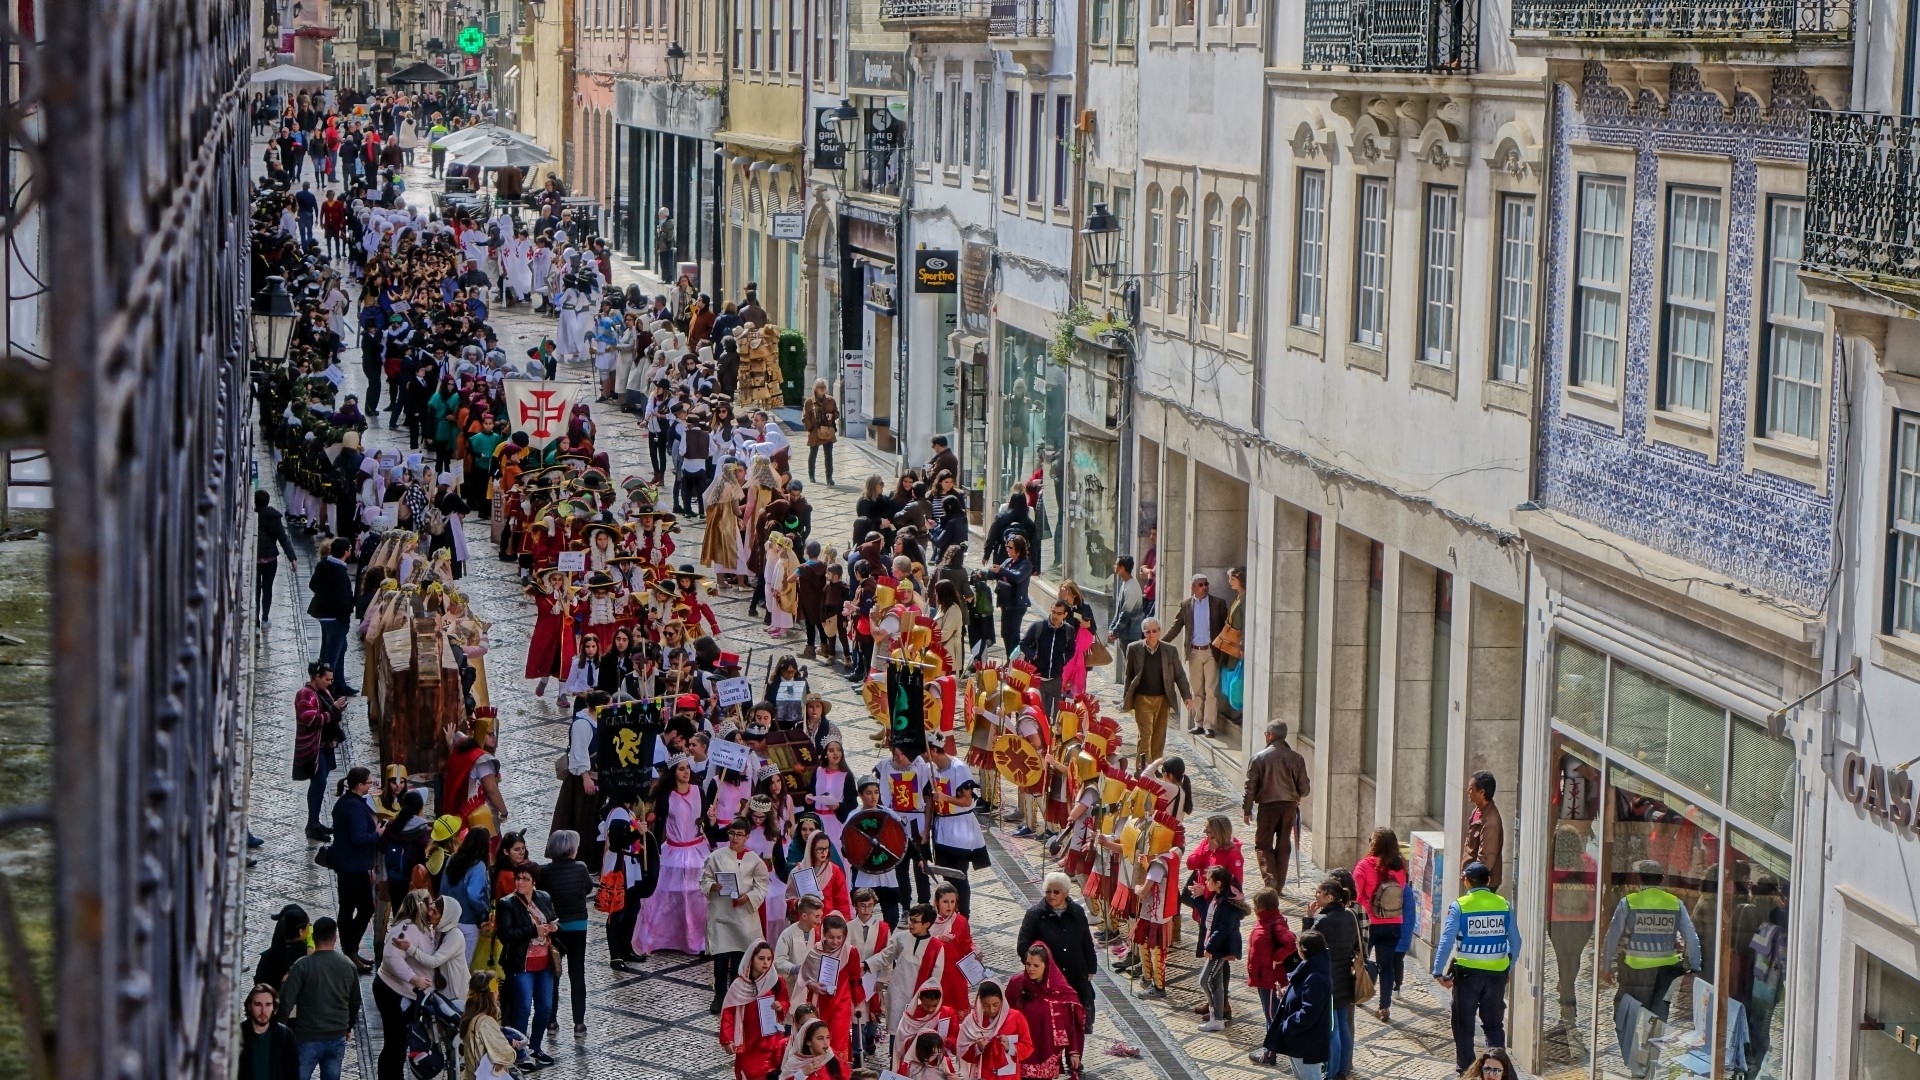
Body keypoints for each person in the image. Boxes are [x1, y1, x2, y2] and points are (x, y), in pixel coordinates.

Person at [1431, 861, 1521, 1075]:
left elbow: (1446, 941)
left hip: (1468, 976)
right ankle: (1498, 1072)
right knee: (1493, 1026)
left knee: (1463, 1025)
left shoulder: (1460, 906)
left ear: (1466, 881)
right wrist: (1508, 965)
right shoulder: (1503, 904)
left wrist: (1438, 971)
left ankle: (1467, 1071)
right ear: (1488, 881)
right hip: (1496, 975)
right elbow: (1516, 941)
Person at [1601, 860, 1701, 1040]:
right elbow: (1691, 938)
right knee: (1657, 1020)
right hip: (1666, 972)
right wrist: (1693, 967)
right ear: (1662, 879)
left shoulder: (1629, 903)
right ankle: (1649, 1061)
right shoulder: (1675, 903)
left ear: (1639, 879)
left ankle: (1633, 1058)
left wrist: (1606, 967)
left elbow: (1612, 937)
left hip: (1635, 970)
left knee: (1625, 1016)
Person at [701, 818, 772, 1014]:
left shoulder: (755, 861)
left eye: (739, 834)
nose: (734, 838)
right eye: (732, 833)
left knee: (739, 957)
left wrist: (748, 897)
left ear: (747, 837)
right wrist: (712, 886)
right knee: (721, 956)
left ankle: (735, 994)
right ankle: (719, 994)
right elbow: (705, 878)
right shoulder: (716, 856)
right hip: (722, 914)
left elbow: (762, 885)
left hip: (743, 917)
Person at [277, 916, 362, 1080]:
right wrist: (348, 1026)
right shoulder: (348, 965)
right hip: (337, 1036)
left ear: (314, 938)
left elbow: (286, 1002)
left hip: (307, 1036)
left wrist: (279, 1032)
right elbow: (355, 1001)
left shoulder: (302, 965)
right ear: (335, 938)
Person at [495, 866, 561, 1068]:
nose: (520, 882)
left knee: (545, 1007)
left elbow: (553, 918)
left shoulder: (544, 897)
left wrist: (555, 927)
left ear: (534, 881)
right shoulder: (507, 904)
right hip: (520, 963)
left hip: (544, 963)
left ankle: (536, 1047)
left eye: (525, 878)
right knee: (523, 1007)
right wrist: (533, 930)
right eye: (518, 878)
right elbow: (505, 934)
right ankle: (519, 1051)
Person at [1016, 872, 1098, 1034]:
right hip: (1048, 978)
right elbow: (1023, 946)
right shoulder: (1035, 915)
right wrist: (1036, 967)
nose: (1051, 895)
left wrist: (1091, 967)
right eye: (1048, 891)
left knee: (1077, 1024)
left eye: (1056, 892)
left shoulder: (1077, 912)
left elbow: (1086, 941)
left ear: (1066, 893)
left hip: (1075, 975)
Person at [374, 892, 436, 1080]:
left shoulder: (422, 927)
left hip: (406, 994)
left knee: (400, 1042)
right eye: (431, 903)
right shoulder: (406, 928)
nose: (433, 907)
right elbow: (392, 957)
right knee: (394, 1042)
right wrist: (413, 978)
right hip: (393, 992)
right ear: (421, 906)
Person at [1251, 929, 1331, 1076]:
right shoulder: (1309, 966)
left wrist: (1286, 1026)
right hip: (1298, 1040)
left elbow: (1309, 1012)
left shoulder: (1316, 977)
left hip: (1305, 1042)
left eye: (1297, 945)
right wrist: (1285, 995)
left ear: (1304, 950)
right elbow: (1301, 995)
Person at [1302, 876, 1359, 1079]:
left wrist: (1309, 919)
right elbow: (1355, 945)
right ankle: (1343, 1069)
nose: (1316, 895)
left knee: (1332, 1027)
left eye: (1319, 892)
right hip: (1345, 975)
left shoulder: (1322, 921)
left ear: (1329, 896)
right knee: (1343, 1024)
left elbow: (1307, 946)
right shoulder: (1350, 916)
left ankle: (1332, 1072)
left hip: (1328, 978)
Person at [1243, 721, 1311, 891]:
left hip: (1267, 808)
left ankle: (1270, 879)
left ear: (1271, 735)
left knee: (1263, 844)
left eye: (1266, 734)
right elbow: (1305, 789)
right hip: (1289, 808)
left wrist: (1247, 809)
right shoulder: (1297, 758)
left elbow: (1250, 787)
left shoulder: (1259, 758)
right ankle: (1279, 885)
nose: (1265, 737)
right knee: (1283, 844)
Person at [541, 829, 596, 1037]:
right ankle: (579, 1024)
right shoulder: (581, 868)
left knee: (553, 973)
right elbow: (588, 888)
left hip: (555, 929)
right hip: (577, 927)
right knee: (577, 974)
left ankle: (551, 1021)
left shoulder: (545, 872)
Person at [1352, 826, 1409, 1022]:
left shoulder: (1364, 866)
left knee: (1362, 961)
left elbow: (1356, 897)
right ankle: (1384, 1007)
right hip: (1394, 923)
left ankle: (1360, 993)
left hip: (1369, 923)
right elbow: (1400, 890)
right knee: (1387, 966)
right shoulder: (1400, 867)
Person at [329, 765, 383, 969]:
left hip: (347, 865)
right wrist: (377, 833)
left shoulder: (348, 802)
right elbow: (359, 837)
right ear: (360, 785)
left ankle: (351, 951)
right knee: (363, 907)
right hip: (353, 867)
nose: (371, 784)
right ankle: (350, 950)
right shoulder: (354, 807)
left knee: (348, 908)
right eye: (369, 782)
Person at [1006, 943, 1084, 1079]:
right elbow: (1005, 1014)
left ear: (1046, 965)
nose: (1031, 969)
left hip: (1047, 1050)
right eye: (1028, 964)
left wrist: (1073, 1052)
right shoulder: (1016, 983)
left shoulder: (1059, 991)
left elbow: (1070, 1023)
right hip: (1021, 1049)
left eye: (1036, 965)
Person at [1121, 618, 1192, 770]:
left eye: (1154, 631)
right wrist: (1126, 698)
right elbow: (1129, 675)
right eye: (1148, 632)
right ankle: (1142, 769)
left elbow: (1179, 674)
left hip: (1162, 699)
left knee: (1159, 736)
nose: (1151, 635)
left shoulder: (1170, 650)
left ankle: (1154, 767)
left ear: (1159, 631)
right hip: (1142, 698)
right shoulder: (1134, 649)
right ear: (1144, 633)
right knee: (1145, 735)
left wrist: (1187, 696)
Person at [1166, 574, 1227, 737]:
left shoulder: (1218, 604)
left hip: (1211, 652)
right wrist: (1162, 642)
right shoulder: (1186, 605)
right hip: (1193, 652)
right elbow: (1176, 626)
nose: (1204, 587)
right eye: (1200, 585)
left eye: (1206, 584)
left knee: (1211, 690)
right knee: (1196, 690)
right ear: (1193, 587)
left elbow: (1225, 627)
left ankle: (1209, 725)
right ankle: (1198, 723)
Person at [721, 940, 791, 1080]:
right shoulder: (740, 985)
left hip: (771, 1039)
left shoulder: (776, 981)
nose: (765, 962)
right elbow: (729, 1012)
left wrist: (781, 1006)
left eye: (769, 959)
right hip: (749, 1040)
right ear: (751, 959)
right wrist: (727, 1039)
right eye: (761, 958)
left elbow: (785, 1000)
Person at [294, 663, 344, 841]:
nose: (330, 683)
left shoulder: (323, 692)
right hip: (314, 748)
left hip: (324, 746)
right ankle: (312, 824)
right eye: (327, 679)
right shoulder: (304, 695)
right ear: (317, 677)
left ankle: (314, 821)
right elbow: (311, 720)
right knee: (318, 783)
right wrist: (333, 710)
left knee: (320, 784)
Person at [1196, 865, 1249, 1033]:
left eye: (1208, 879)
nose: (1205, 882)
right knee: (1216, 982)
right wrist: (1198, 897)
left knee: (1205, 980)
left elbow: (1223, 929)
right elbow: (1208, 916)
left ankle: (1216, 1017)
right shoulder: (1217, 896)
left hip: (1219, 948)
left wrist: (1210, 947)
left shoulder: (1227, 903)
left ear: (1218, 883)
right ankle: (1216, 1018)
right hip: (1215, 946)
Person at [307, 538, 359, 695]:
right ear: (345, 552)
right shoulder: (339, 571)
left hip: (322, 615)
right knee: (332, 654)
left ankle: (339, 683)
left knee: (339, 648)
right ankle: (325, 688)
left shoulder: (323, 564)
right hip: (336, 618)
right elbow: (343, 599)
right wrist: (346, 615)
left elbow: (313, 585)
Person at [956, 982, 1032, 1080]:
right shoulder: (972, 1021)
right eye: (986, 1005)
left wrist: (1010, 1047)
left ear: (1002, 1001)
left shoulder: (1016, 1017)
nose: (991, 1010)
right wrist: (977, 1048)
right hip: (983, 1075)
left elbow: (1028, 1046)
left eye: (995, 1004)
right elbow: (963, 1052)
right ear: (980, 1002)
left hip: (1009, 1076)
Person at [1245, 888, 1297, 1030]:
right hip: (1263, 976)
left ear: (1262, 906)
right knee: (1269, 1014)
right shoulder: (1263, 920)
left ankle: (1270, 1051)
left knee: (1272, 1015)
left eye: (1256, 905)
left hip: (1270, 977)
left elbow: (1291, 942)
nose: (1254, 909)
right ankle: (1269, 1049)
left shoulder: (1275, 923)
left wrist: (1277, 958)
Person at [459, 971, 526, 1080]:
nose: (498, 993)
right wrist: (512, 1048)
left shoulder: (469, 1017)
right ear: (492, 994)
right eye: (496, 989)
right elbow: (505, 1055)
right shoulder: (486, 1022)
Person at [238, 983, 299, 1080]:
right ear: (249, 1006)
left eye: (268, 1005)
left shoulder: (285, 1035)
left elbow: (293, 1073)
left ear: (273, 1007)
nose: (263, 1011)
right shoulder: (237, 1035)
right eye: (258, 1004)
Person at [256, 489, 297, 624]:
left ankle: (255, 620)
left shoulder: (254, 516)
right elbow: (283, 539)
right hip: (270, 559)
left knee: (255, 591)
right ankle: (265, 618)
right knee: (267, 589)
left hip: (256, 559)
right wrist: (292, 558)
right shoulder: (274, 517)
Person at [1462, 771, 1505, 892]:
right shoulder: (1477, 811)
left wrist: (1474, 880)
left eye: (1471, 789)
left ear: (1481, 792)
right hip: (1471, 879)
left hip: (1481, 884)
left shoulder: (1490, 822)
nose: (1468, 791)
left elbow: (1486, 858)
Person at [1105, 554, 1145, 672]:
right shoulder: (1125, 584)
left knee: (1131, 667)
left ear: (1122, 568)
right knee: (1128, 665)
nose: (1114, 566)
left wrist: (1115, 631)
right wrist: (1112, 628)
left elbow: (1125, 614)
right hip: (1126, 634)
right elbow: (1119, 611)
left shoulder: (1131, 587)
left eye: (1116, 564)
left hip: (1131, 634)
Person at [780, 1018, 844, 1080]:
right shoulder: (794, 1063)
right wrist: (803, 1073)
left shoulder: (831, 1056)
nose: (826, 1042)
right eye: (820, 1038)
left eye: (828, 1037)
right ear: (808, 1042)